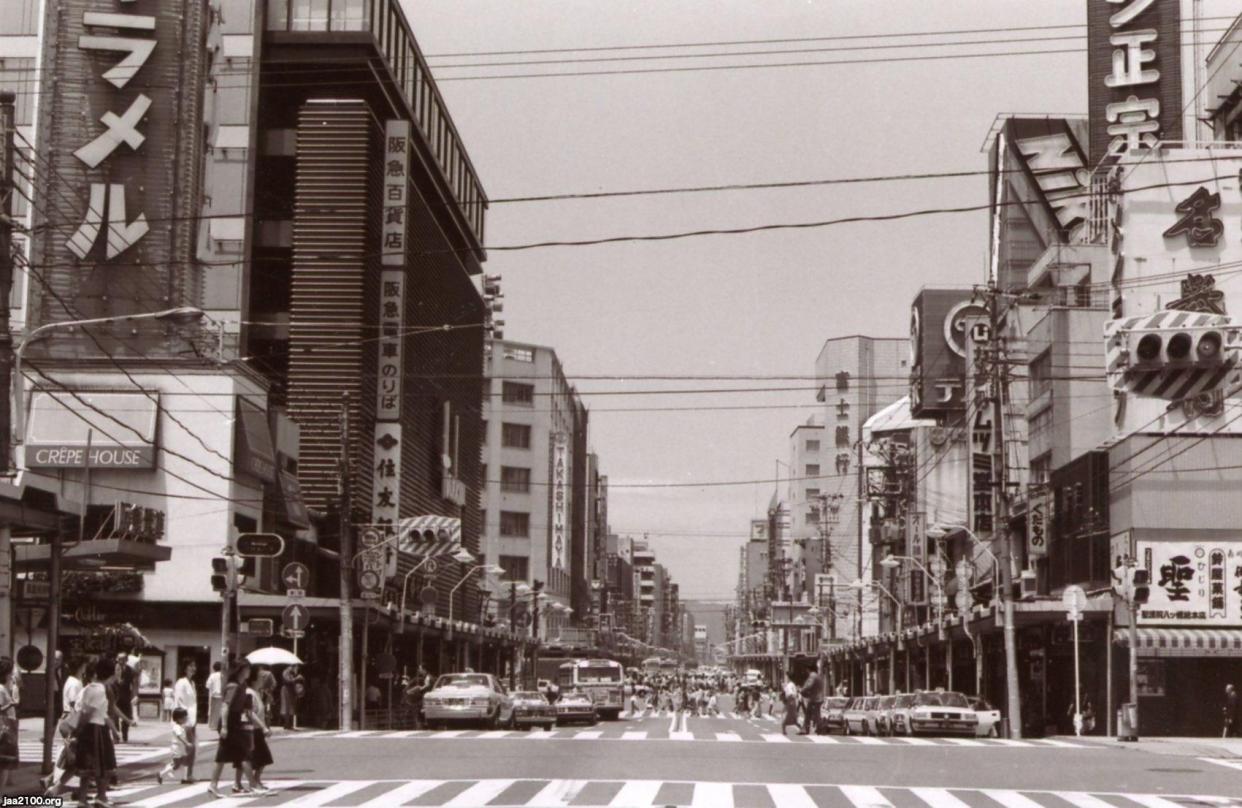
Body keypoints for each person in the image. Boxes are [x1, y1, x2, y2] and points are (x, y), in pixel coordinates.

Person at [209, 661, 259, 798]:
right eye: (247, 669)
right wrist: (224, 726)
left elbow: (243, 706)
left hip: (236, 720)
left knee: (226, 755)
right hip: (229, 721)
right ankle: (253, 785)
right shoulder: (233, 686)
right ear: (240, 670)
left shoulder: (242, 685)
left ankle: (213, 785)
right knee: (242, 753)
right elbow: (225, 706)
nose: (249, 671)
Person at [76, 656, 121, 807]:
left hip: (91, 728)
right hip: (96, 730)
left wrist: (114, 730)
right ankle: (101, 797)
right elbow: (89, 712)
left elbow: (99, 713)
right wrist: (80, 727)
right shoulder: (100, 690)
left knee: (87, 766)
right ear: (110, 673)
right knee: (103, 764)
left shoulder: (90, 687)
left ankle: (83, 799)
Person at [242, 668, 273, 794]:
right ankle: (253, 783)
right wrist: (264, 727)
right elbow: (250, 713)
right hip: (252, 729)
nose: (262, 680)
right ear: (254, 679)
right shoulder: (249, 692)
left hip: (257, 729)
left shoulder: (257, 692)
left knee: (263, 757)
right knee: (258, 757)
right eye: (261, 677)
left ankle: (256, 780)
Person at [173, 659, 200, 784]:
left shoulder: (192, 683)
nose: (193, 668)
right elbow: (179, 701)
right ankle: (186, 775)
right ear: (184, 668)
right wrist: (183, 720)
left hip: (192, 719)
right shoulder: (181, 682)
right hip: (185, 720)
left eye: (194, 665)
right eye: (190, 666)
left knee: (192, 747)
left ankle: (189, 774)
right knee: (189, 748)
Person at [157, 708, 191, 785]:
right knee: (177, 765)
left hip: (181, 747)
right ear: (179, 719)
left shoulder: (181, 726)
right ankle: (161, 774)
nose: (186, 719)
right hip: (176, 747)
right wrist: (186, 743)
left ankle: (184, 778)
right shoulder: (177, 727)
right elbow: (179, 737)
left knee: (185, 762)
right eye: (184, 718)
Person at [0, 657, 18, 792]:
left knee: (4, 765)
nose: (12, 674)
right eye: (11, 672)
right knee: (4, 764)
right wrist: (11, 703)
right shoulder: (0, 689)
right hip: (4, 730)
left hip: (6, 729)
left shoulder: (4, 688)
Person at [800, 669, 823, 736]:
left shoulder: (812, 675)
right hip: (817, 698)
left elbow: (808, 685)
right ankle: (818, 729)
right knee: (815, 714)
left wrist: (802, 690)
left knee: (811, 714)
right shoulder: (817, 676)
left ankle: (806, 729)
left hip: (815, 698)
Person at [280, 665, 304, 730]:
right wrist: (297, 678)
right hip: (286, 690)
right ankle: (286, 723)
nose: (297, 669)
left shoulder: (292, 673)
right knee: (286, 707)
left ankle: (289, 724)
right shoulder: (285, 672)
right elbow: (288, 680)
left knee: (291, 707)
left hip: (291, 690)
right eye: (296, 667)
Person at [206, 661, 225, 734]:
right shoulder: (223, 675)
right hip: (222, 696)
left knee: (214, 712)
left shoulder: (212, 675)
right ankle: (221, 725)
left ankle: (214, 725)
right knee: (222, 711)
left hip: (214, 696)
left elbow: (208, 685)